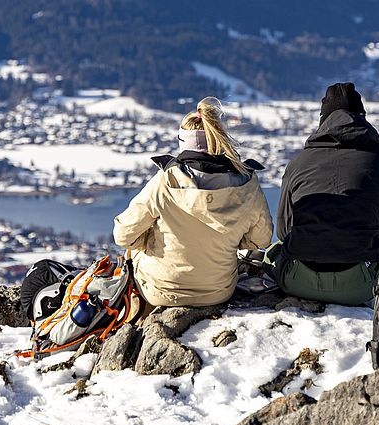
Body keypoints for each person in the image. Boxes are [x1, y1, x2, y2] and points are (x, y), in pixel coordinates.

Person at [113, 97, 273, 308]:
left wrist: (150, 243)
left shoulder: (165, 181)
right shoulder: (247, 184)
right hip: (218, 291)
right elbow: (260, 240)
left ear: (182, 142)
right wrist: (227, 239)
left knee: (132, 254)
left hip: (161, 291)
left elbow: (123, 235)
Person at [267, 82, 379, 305]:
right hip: (363, 286)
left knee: (273, 251)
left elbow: (285, 231)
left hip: (299, 282)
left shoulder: (298, 164)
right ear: (362, 117)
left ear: (323, 119)